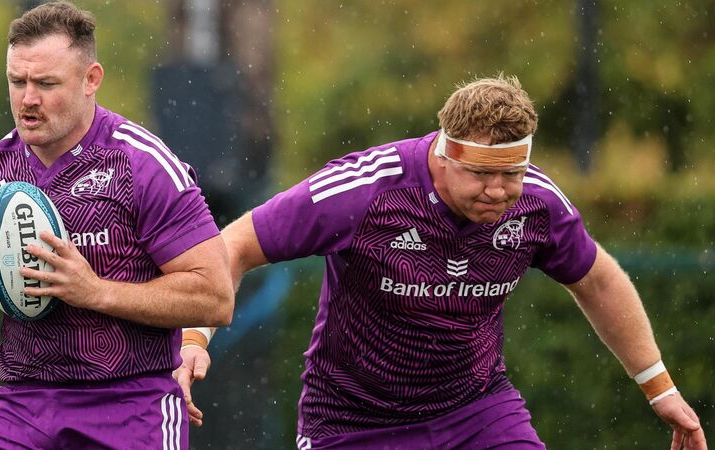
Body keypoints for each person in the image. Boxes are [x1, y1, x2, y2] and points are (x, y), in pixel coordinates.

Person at [176, 75, 708, 449]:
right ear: (444, 153)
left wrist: (659, 387)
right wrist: (196, 338)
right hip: (354, 422)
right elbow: (233, 246)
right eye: (481, 173)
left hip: (477, 412)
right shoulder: (366, 190)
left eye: (512, 173)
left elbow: (598, 281)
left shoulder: (538, 203)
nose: (498, 191)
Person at [0, 2, 233, 448]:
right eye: (17, 82)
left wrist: (96, 291)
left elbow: (215, 296)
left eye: (46, 83)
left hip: (133, 406)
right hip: (23, 407)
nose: (28, 99)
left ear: (91, 80)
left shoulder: (141, 165)